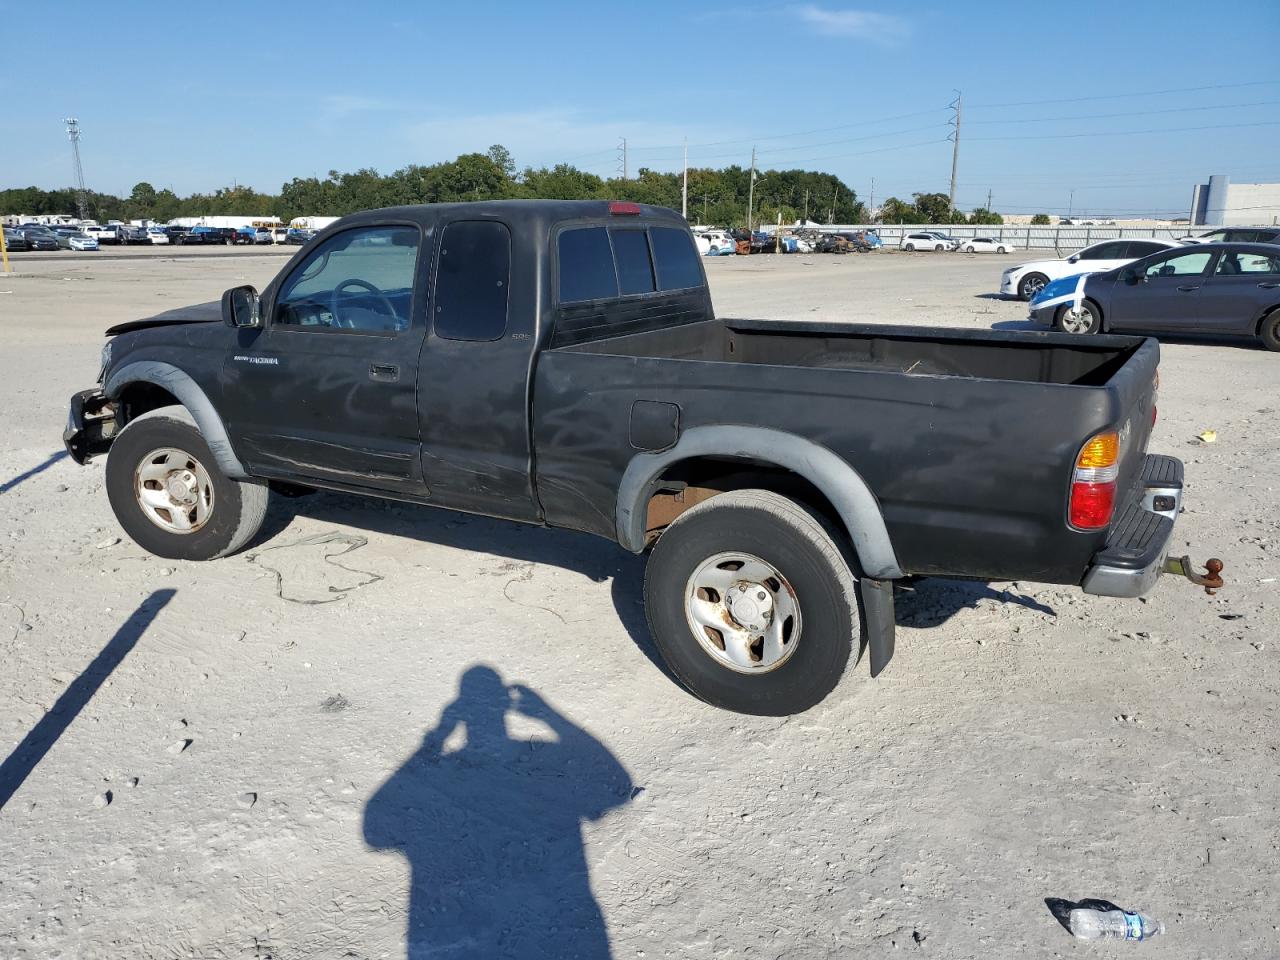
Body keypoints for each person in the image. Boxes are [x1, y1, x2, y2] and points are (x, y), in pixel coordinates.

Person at [364, 665, 632, 959]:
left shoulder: (450, 769)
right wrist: (549, 716)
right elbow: (619, 786)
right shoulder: (545, 756)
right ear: (504, 706)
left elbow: (374, 828)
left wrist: (437, 737)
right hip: (564, 923)